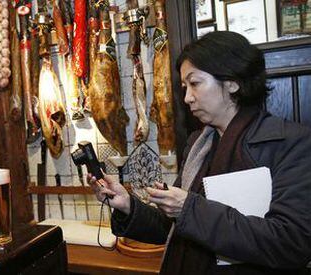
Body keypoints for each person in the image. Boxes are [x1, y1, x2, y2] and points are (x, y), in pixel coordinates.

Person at [87, 31, 311, 275]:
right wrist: (127, 205)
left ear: (232, 81)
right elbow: (173, 228)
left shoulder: (290, 143)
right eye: (184, 87)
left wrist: (189, 208)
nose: (187, 98)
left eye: (195, 83)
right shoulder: (199, 145)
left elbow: (290, 243)